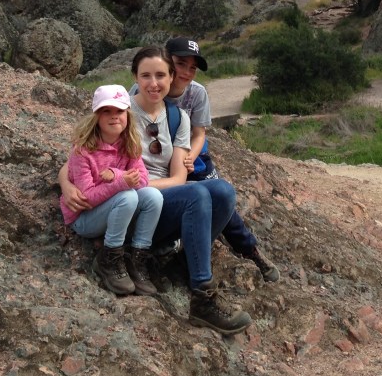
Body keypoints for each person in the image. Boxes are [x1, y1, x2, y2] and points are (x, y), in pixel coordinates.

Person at [60, 47, 252, 335]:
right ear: (135, 78)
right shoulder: (121, 111)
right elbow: (79, 155)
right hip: (125, 202)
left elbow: (177, 178)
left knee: (223, 191)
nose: (154, 83)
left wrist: (138, 184)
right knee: (196, 194)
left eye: (161, 75)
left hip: (155, 197)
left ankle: (187, 260)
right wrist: (66, 184)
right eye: (145, 75)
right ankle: (203, 298)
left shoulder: (178, 119)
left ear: (171, 77)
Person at [163, 36, 280, 283]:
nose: (186, 71)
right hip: (163, 159)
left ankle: (250, 250)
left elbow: (199, 133)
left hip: (194, 159)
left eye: (192, 67)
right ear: (167, 60)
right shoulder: (151, 87)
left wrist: (190, 158)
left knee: (224, 202)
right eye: (180, 63)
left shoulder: (197, 93)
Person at [60, 85, 163, 296]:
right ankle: (109, 258)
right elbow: (86, 197)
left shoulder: (130, 144)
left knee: (153, 196)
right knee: (126, 196)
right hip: (84, 218)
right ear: (96, 116)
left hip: (113, 208)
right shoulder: (83, 150)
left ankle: (137, 258)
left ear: (128, 114)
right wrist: (121, 182)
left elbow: (142, 180)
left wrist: (116, 175)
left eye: (120, 111)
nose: (114, 116)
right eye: (107, 111)